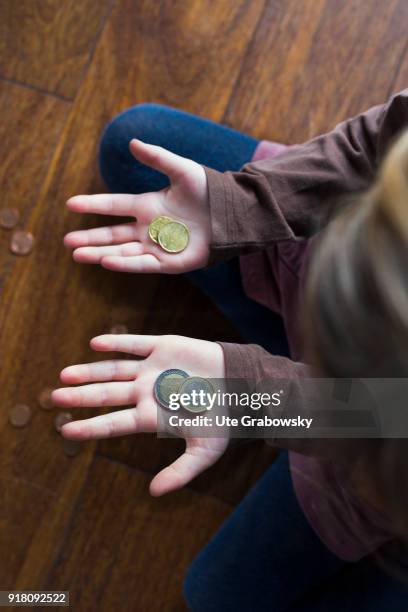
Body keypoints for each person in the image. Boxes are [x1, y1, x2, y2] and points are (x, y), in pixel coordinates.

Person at [52, 90, 408, 610]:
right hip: (326, 265)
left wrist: (250, 396)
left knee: (214, 597)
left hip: (374, 445)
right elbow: (379, 139)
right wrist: (238, 208)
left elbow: (377, 415)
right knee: (132, 144)